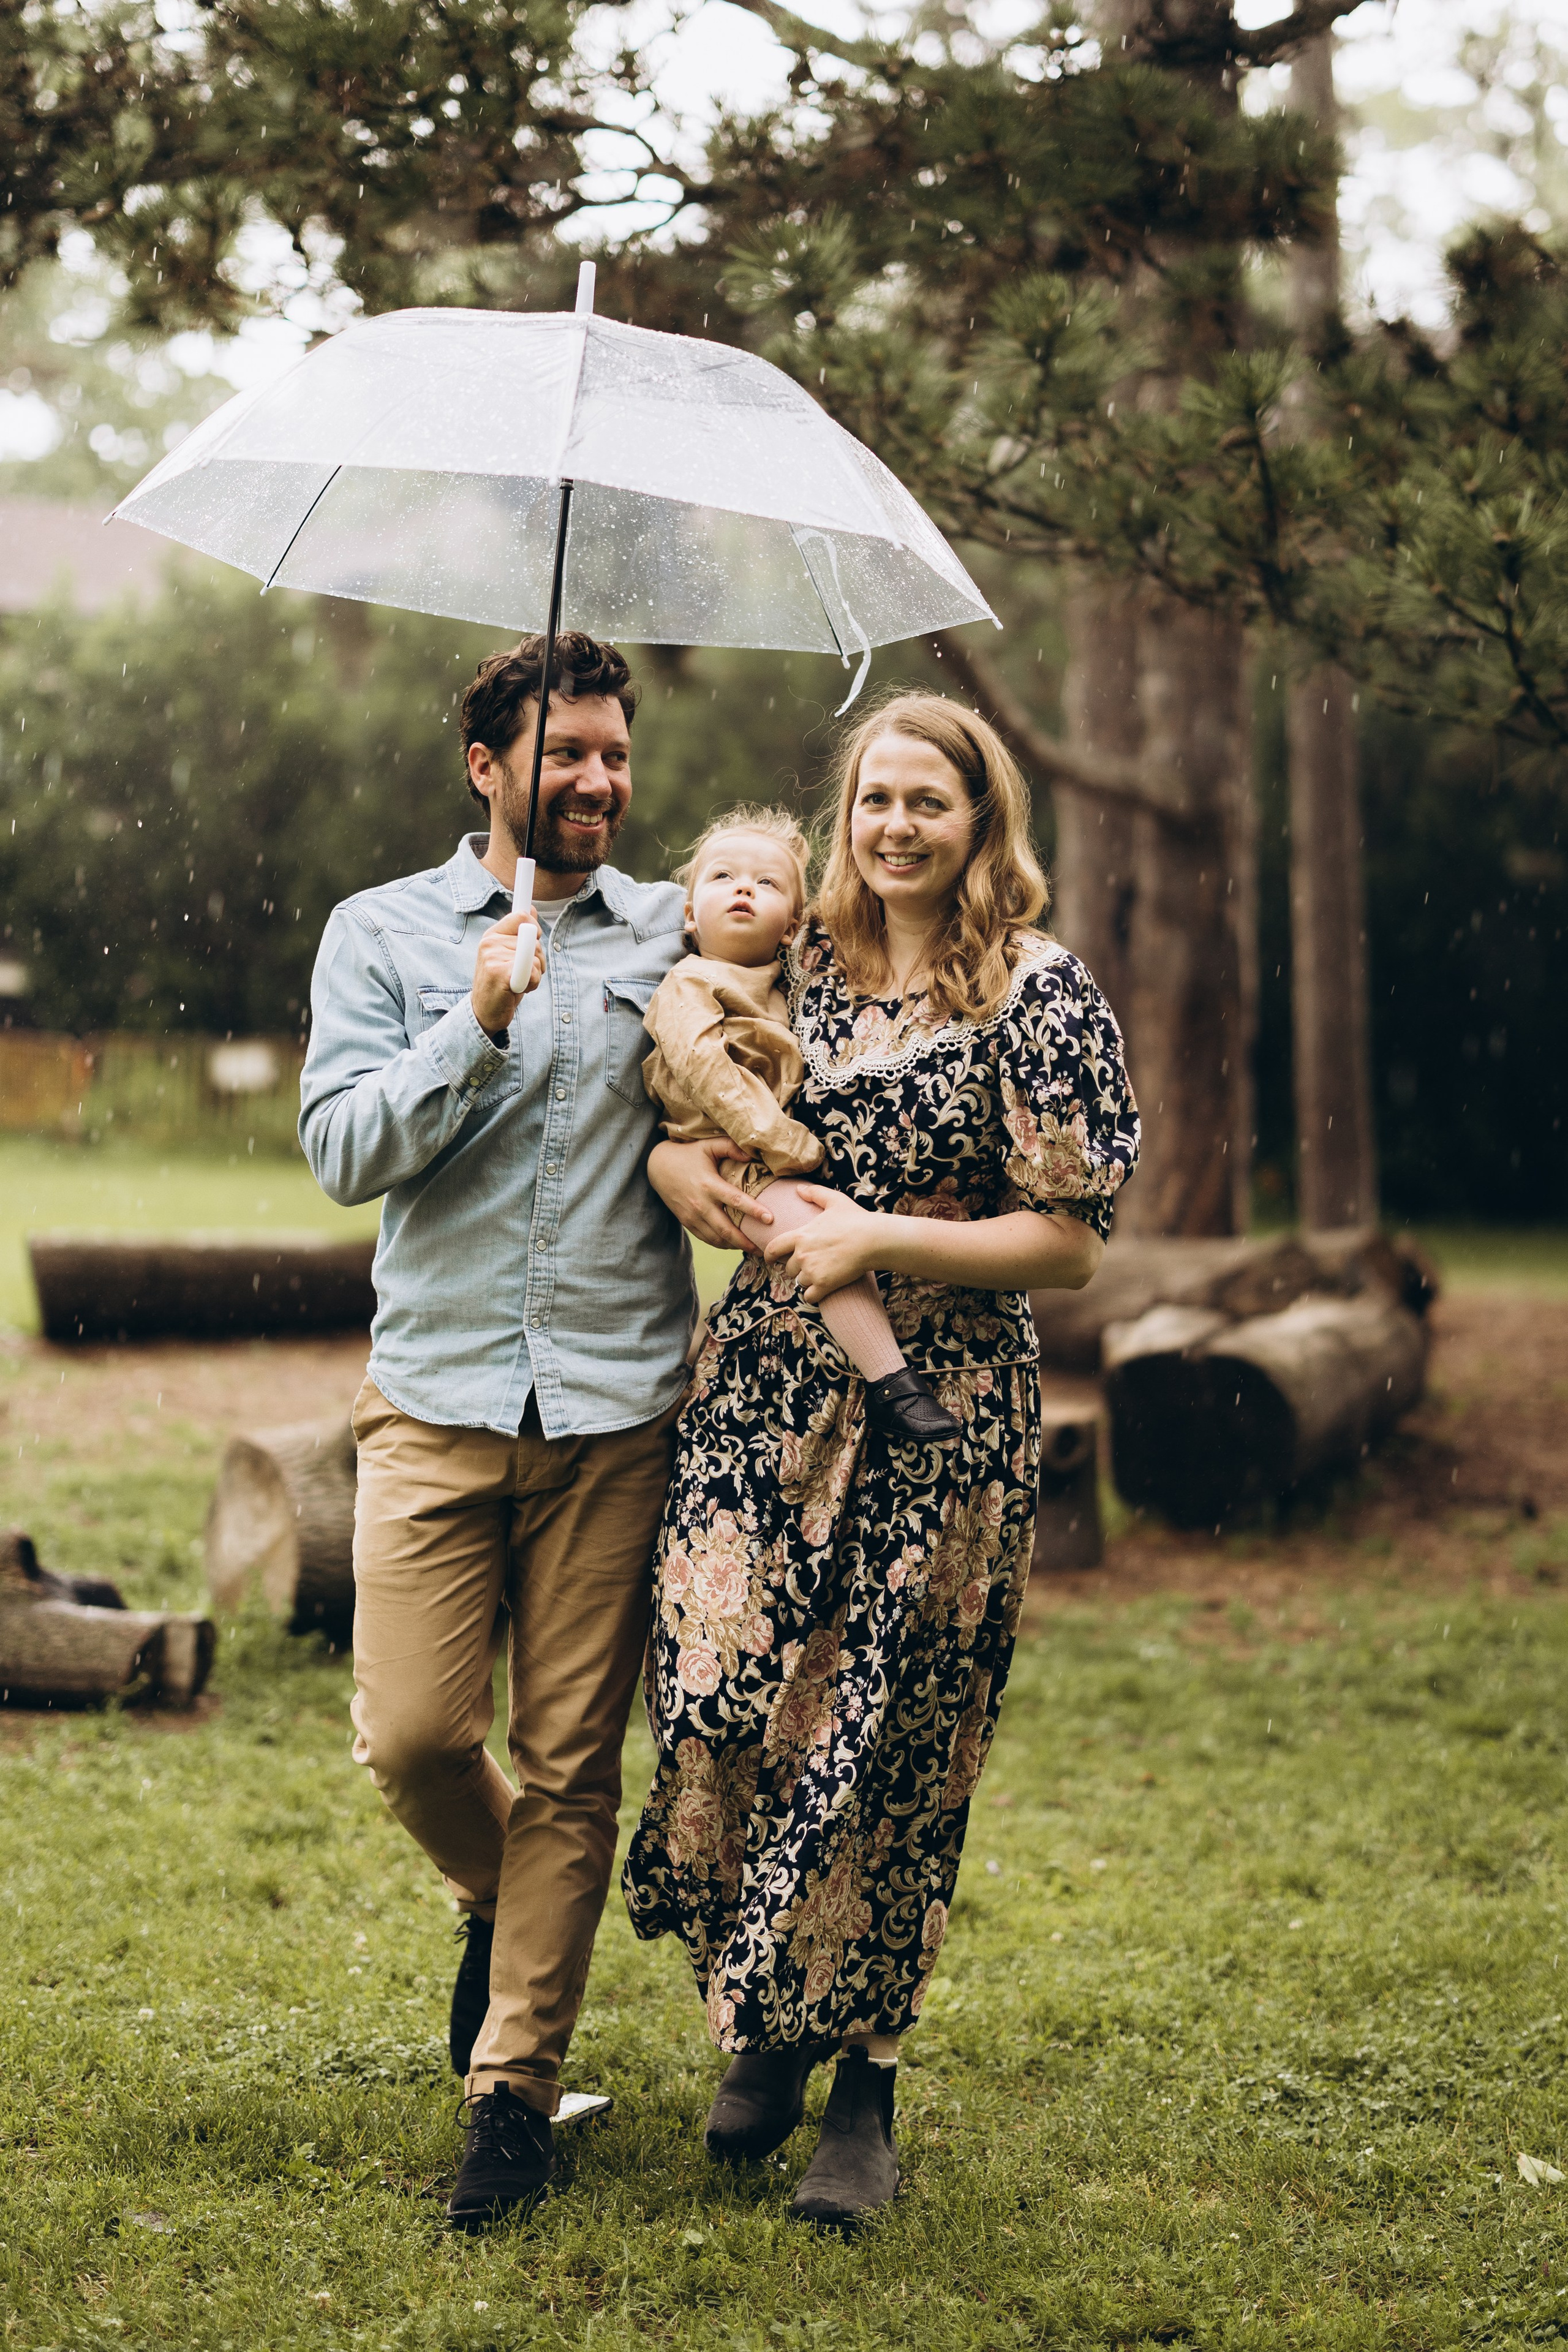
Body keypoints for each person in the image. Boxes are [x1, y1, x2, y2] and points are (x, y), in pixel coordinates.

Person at [622, 690, 1140, 2226]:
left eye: (930, 799)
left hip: (941, 1408)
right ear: (842, 817)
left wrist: (884, 1231)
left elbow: (1071, 1240)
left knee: (886, 1741)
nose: (896, 824)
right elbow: (676, 1097)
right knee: (717, 1697)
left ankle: (859, 2086)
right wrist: (673, 1162)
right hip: (762, 1393)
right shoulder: (788, 964)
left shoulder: (1035, 995)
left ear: (983, 825)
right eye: (873, 799)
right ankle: (759, 2004)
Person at [298, 629, 736, 2231]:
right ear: (488, 768)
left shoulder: (678, 941)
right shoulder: (384, 934)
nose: (602, 781)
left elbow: (742, 1080)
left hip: (622, 1410)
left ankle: (512, 2100)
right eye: (569, 756)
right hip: (432, 1398)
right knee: (412, 1739)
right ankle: (509, 1909)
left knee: (569, 1774)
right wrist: (471, 1023)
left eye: (617, 754)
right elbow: (343, 1154)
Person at [641, 805, 959, 1445]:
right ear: (687, 913)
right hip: (736, 1153)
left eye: (766, 883)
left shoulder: (788, 987)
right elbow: (711, 1075)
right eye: (723, 876)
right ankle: (892, 1384)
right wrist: (791, 1145)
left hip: (762, 1150)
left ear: (792, 927)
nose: (742, 889)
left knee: (834, 1238)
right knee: (823, 1244)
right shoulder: (690, 983)